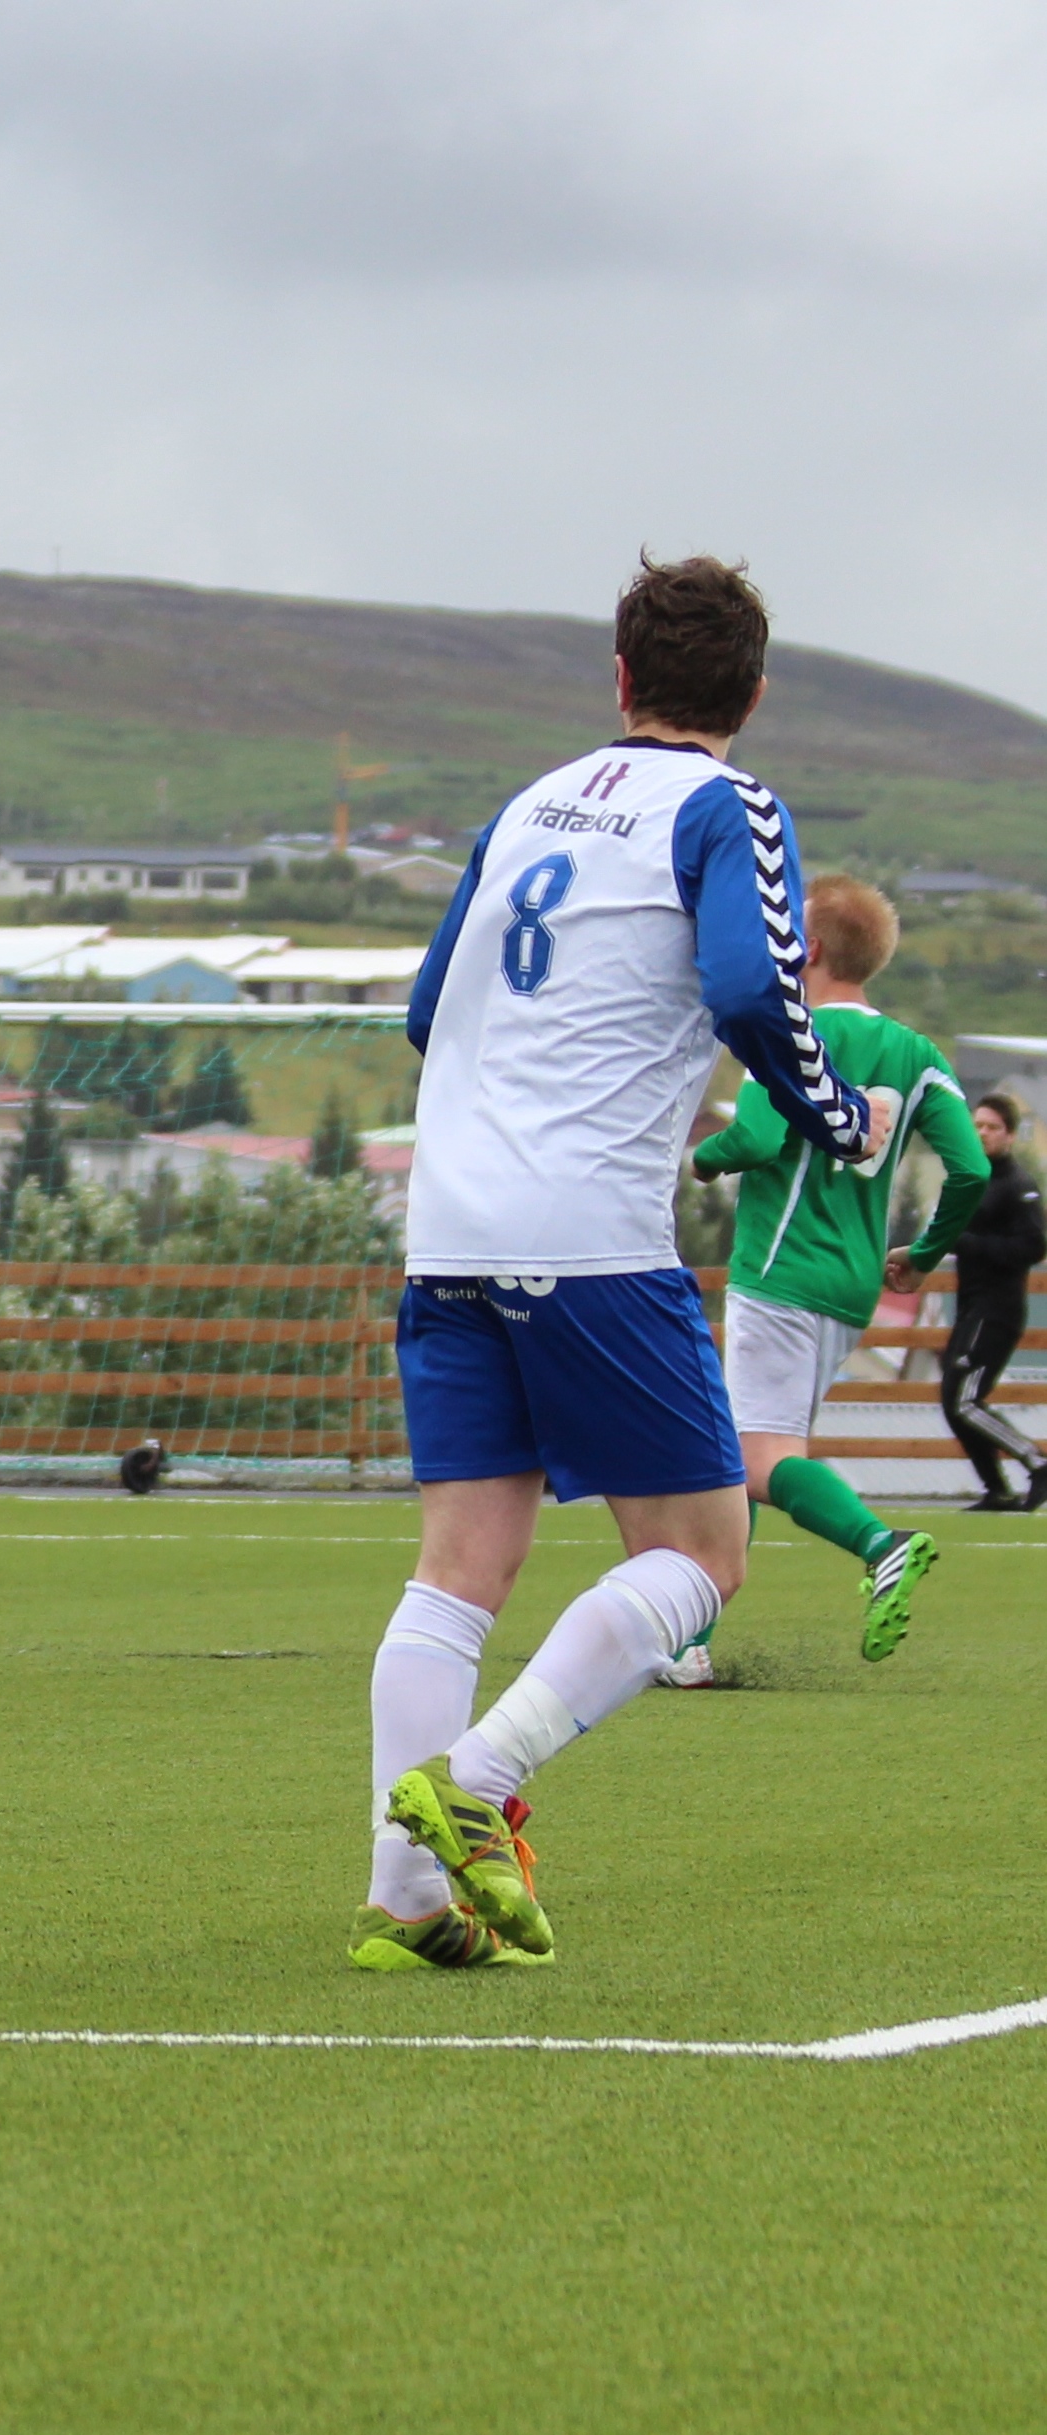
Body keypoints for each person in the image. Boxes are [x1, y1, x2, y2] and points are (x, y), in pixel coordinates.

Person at [356, 554, 883, 1973]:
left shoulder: (527, 803)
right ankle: (474, 1783)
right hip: (584, 1236)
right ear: (752, 695)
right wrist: (834, 1115)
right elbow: (745, 985)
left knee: (457, 1570)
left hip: (447, 1228)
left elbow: (427, 1008)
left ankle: (405, 1902)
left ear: (619, 676)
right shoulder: (728, 807)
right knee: (703, 1554)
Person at [679, 870, 979, 1655]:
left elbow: (755, 1140)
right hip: (851, 1284)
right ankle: (692, 1643)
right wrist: (925, 1253)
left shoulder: (783, 1032)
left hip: (780, 1268)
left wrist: (700, 1161)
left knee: (755, 1458)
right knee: (748, 1450)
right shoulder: (917, 1053)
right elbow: (972, 1169)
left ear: (807, 948)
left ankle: (882, 1546)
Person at [925, 1085, 1046, 1509]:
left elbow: (1034, 1246)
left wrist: (969, 1243)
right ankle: (996, 1489)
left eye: (992, 1127)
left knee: (963, 1400)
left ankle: (1037, 1462)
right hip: (970, 1307)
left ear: (1010, 1135)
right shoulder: (972, 1179)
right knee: (953, 1401)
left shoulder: (1017, 1184)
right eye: (977, 1125)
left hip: (997, 1310)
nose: (982, 1133)